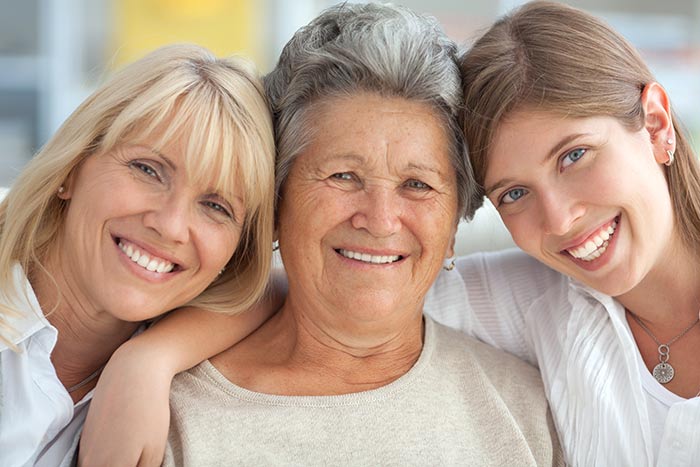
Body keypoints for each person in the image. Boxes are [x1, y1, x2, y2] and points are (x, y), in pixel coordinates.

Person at [159, 4, 563, 466]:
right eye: (344, 176)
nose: (380, 219)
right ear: (275, 201)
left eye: (417, 185)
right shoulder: (166, 416)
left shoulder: (527, 410)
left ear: (453, 226)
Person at [423, 1, 700, 465]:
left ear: (654, 124)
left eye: (574, 156)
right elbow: (331, 297)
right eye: (513, 194)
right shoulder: (539, 301)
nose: (558, 220)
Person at [0, 43, 277, 467]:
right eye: (147, 169)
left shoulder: (185, 376)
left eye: (216, 206)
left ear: (236, 255)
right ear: (72, 167)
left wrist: (148, 359)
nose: (169, 225)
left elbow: (287, 285)